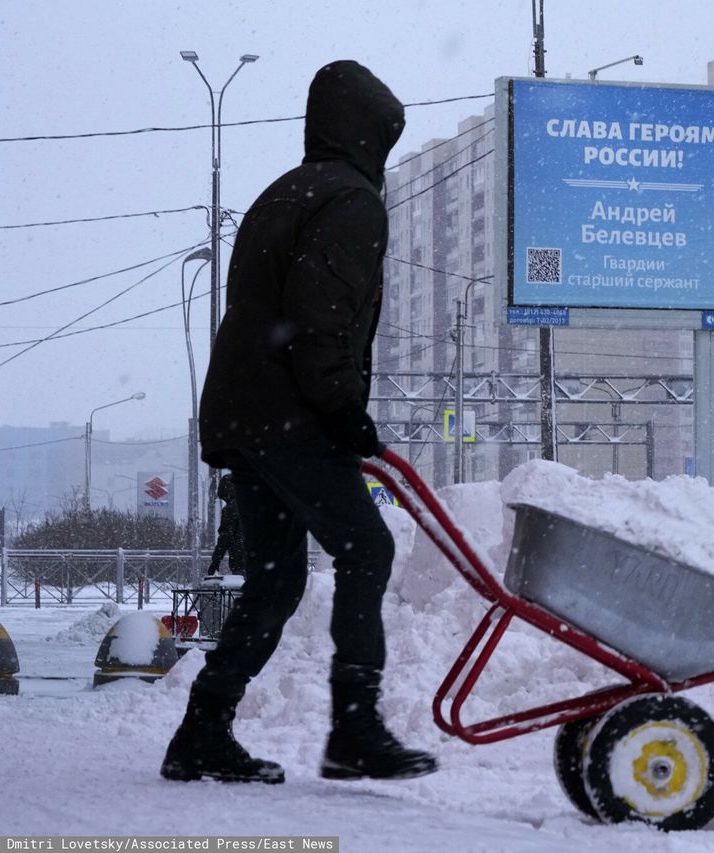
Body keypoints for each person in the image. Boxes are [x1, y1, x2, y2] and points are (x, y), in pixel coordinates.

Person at [161, 60, 436, 785]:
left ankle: (201, 731)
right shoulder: (350, 200)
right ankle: (354, 727)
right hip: (291, 413)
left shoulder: (279, 193)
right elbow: (322, 319)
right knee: (367, 548)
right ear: (369, 135)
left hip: (245, 414)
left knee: (275, 583)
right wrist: (343, 409)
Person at [207, 474, 246, 576]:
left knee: (241, 589)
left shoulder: (231, 509)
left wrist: (215, 561)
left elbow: (225, 536)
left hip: (241, 560)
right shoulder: (252, 505)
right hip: (262, 561)